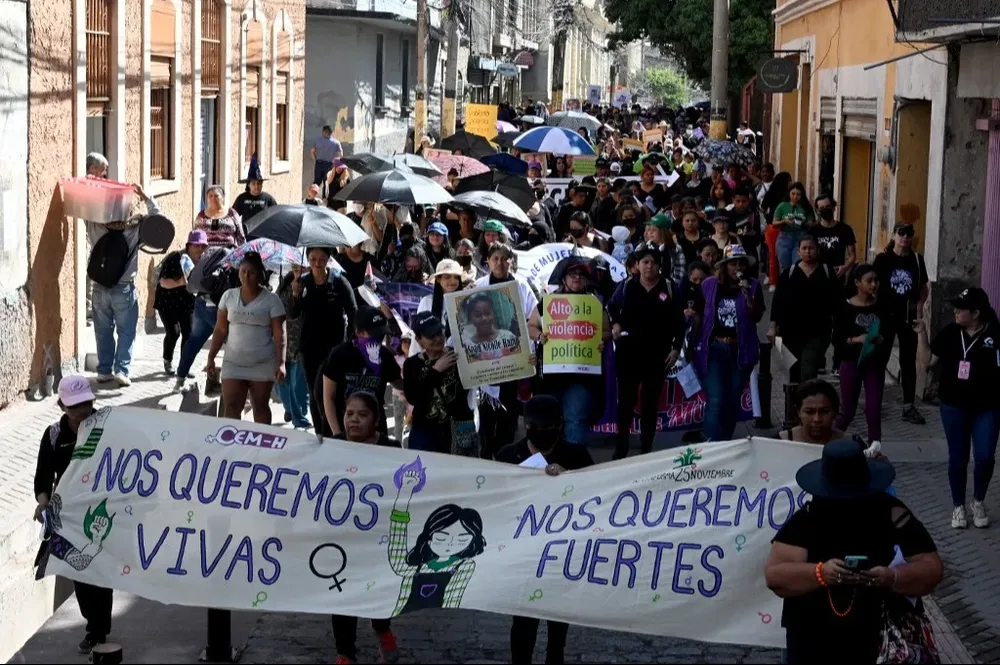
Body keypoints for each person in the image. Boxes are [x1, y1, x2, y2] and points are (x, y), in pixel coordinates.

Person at [765, 440, 944, 663]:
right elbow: (775, 575)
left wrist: (891, 578)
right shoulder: (808, 518)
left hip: (881, 636)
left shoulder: (892, 513)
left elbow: (932, 568)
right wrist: (820, 573)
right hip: (814, 636)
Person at [495, 395, 593, 665]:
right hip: (523, 556)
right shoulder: (508, 455)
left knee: (558, 627)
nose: (537, 432)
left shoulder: (577, 455)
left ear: (560, 426)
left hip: (561, 557)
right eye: (532, 426)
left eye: (545, 426)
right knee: (523, 624)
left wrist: (571, 481)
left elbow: (597, 497)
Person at [33, 377, 113, 654]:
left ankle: (98, 632)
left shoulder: (108, 428)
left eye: (87, 404)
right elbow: (42, 479)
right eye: (74, 406)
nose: (82, 412)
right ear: (62, 406)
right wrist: (43, 504)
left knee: (100, 574)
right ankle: (94, 624)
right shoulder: (54, 436)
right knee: (80, 574)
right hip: (68, 518)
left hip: (102, 512)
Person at [332, 391, 400, 665]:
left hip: (379, 538)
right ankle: (345, 654)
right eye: (349, 414)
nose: (354, 420)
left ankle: (383, 631)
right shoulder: (331, 447)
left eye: (362, 415)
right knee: (340, 595)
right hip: (342, 538)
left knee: (378, 594)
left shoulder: (392, 449)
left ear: (376, 420)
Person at [928, 287, 1000, 529]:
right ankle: (958, 506)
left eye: (961, 308)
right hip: (953, 406)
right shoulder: (950, 332)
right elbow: (927, 363)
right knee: (958, 458)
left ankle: (978, 501)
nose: (955, 311)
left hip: (987, 408)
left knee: (985, 456)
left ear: (976, 313)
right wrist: (919, 336)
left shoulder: (996, 334)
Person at [608, 242, 684, 458]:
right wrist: (615, 324)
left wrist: (676, 348)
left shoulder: (669, 288)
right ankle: (621, 446)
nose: (649, 266)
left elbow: (679, 321)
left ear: (660, 266)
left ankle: (646, 446)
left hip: (657, 354)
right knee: (626, 401)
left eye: (653, 263)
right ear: (637, 265)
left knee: (650, 401)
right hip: (628, 353)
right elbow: (612, 308)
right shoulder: (626, 287)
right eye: (645, 262)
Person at [529, 257, 612, 446]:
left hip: (581, 378)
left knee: (575, 418)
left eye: (581, 275)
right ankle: (549, 462)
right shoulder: (547, 303)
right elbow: (531, 326)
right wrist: (540, 335)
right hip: (550, 376)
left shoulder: (593, 304)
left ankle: (573, 467)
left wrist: (600, 340)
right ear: (563, 278)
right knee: (547, 421)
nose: (577, 278)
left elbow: (607, 331)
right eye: (572, 274)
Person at [87, 183, 162, 386]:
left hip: (100, 287)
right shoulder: (135, 229)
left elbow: (85, 207)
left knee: (102, 330)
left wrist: (96, 188)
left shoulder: (95, 225)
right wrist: (146, 197)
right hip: (124, 288)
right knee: (126, 330)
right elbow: (159, 221)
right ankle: (122, 370)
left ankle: (104, 370)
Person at [694, 245, 765, 441]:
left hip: (740, 351)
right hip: (713, 349)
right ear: (725, 266)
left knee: (732, 401)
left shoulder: (753, 286)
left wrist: (747, 295)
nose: (737, 267)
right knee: (716, 400)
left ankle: (725, 443)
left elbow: (756, 316)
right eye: (733, 263)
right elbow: (699, 313)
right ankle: (710, 446)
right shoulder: (709, 284)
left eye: (741, 263)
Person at [205, 252, 286, 424]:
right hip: (233, 363)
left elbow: (280, 334)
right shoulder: (228, 296)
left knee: (260, 407)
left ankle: (261, 448)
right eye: (243, 271)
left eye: (252, 273)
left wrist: (281, 362)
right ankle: (232, 447)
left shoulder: (271, 300)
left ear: (260, 275)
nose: (246, 276)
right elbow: (220, 329)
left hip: (262, 363)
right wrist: (211, 356)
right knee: (231, 407)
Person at [474, 242, 539, 456]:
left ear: (511, 261)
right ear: (488, 262)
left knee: (508, 413)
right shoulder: (479, 285)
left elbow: (532, 319)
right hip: (486, 358)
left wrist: (529, 352)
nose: (500, 263)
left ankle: (505, 456)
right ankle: (486, 455)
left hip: (513, 357)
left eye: (504, 258)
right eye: (495, 259)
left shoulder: (521, 286)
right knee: (486, 414)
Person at [289, 247, 359, 432]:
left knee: (332, 393)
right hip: (309, 347)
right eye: (313, 259)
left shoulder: (339, 282)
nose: (317, 263)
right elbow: (293, 313)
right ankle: (320, 432)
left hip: (334, 347)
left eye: (321, 259)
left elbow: (353, 310)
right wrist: (295, 294)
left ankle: (335, 431)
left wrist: (350, 339)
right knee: (314, 393)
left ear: (328, 260)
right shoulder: (302, 282)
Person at [873, 222, 928, 425]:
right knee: (880, 359)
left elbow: (923, 287)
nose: (905, 237)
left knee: (908, 362)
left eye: (909, 233)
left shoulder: (916, 259)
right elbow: (871, 284)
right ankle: (874, 401)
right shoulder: (883, 259)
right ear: (894, 235)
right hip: (886, 315)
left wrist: (920, 306)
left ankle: (908, 406)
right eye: (901, 233)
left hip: (908, 317)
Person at [321, 306, 403, 437]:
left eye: (381, 335)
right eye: (374, 335)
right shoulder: (340, 354)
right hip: (343, 428)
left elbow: (401, 385)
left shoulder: (385, 356)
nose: (378, 339)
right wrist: (337, 435)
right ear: (359, 333)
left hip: (374, 431)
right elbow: (328, 398)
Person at [404, 312, 477, 455]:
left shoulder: (458, 355)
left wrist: (524, 360)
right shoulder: (411, 364)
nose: (437, 339)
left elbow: (487, 372)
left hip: (459, 427)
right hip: (425, 431)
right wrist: (436, 371)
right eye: (431, 336)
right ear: (419, 340)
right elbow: (413, 397)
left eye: (439, 333)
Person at [769, 235, 839, 383]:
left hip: (818, 332)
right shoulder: (789, 273)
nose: (808, 251)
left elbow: (836, 301)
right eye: (804, 248)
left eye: (811, 248)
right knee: (794, 372)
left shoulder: (826, 271)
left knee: (808, 369)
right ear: (799, 251)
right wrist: (773, 326)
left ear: (817, 250)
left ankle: (808, 401)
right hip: (790, 333)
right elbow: (778, 301)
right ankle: (794, 404)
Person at [833, 264, 889, 444]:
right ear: (857, 282)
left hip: (874, 364)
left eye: (876, 281)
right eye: (869, 281)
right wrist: (856, 339)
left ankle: (875, 446)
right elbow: (837, 339)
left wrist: (879, 339)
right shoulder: (845, 307)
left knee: (873, 409)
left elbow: (888, 332)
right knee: (847, 410)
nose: (873, 285)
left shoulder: (880, 306)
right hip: (850, 362)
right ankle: (829, 442)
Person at [154, 230, 206, 374]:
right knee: (174, 332)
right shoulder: (175, 258)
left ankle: (184, 367)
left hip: (187, 304)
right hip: (167, 303)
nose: (200, 249)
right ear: (188, 245)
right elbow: (163, 282)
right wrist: (183, 282)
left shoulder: (203, 262)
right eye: (197, 245)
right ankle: (167, 360)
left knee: (188, 335)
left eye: (203, 246)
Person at [779, 380, 867, 448]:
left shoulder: (853, 445)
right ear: (798, 412)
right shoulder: (779, 442)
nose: (817, 419)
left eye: (824, 411)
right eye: (809, 412)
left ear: (834, 412)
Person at [275, 265, 311, 429]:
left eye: (302, 267)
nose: (298, 270)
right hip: (283, 338)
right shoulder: (285, 281)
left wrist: (298, 292)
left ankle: (300, 417)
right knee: (282, 381)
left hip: (302, 339)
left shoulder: (311, 284)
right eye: (295, 267)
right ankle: (289, 408)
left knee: (298, 383)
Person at [772, 181, 815, 274]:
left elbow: (812, 223)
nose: (795, 197)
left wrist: (803, 223)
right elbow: (774, 223)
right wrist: (784, 221)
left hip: (801, 237)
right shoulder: (782, 206)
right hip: (785, 237)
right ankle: (785, 287)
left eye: (798, 194)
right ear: (789, 193)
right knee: (784, 266)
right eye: (793, 194)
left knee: (797, 266)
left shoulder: (806, 206)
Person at [811, 194, 856, 280]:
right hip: (817, 275)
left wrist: (845, 268)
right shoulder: (813, 231)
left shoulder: (845, 229)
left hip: (838, 274)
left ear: (833, 207)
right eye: (822, 208)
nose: (825, 210)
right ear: (817, 211)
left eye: (828, 206)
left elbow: (852, 255)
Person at [232, 154, 278, 227]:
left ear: (262, 184)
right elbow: (233, 217)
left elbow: (276, 217)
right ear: (248, 185)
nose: (256, 186)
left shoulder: (268, 199)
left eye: (259, 183)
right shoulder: (241, 199)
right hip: (246, 235)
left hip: (264, 234)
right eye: (253, 184)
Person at [311, 124, 343, 191]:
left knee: (316, 182)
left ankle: (311, 197)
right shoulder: (336, 143)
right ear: (331, 132)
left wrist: (315, 160)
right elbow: (341, 155)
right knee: (327, 183)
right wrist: (337, 165)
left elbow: (312, 151)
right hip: (329, 165)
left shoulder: (317, 140)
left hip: (319, 164)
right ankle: (325, 198)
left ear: (323, 132)